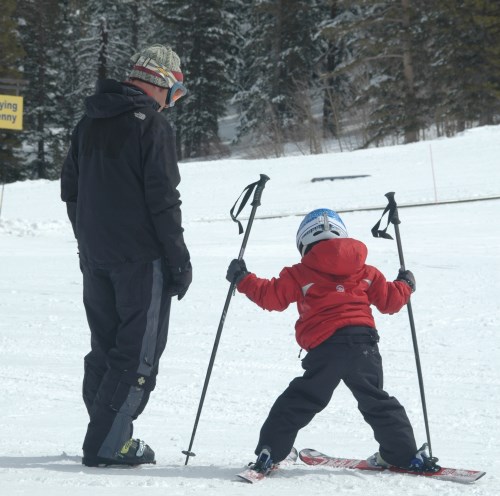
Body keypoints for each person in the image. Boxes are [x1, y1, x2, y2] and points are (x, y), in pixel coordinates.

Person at [226, 208, 440, 474]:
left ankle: (271, 451)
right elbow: (390, 301)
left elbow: (272, 297)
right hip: (364, 345)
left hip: (326, 348)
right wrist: (405, 284)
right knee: (376, 400)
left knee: (300, 399)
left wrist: (242, 279)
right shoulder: (366, 271)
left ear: (304, 242)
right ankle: (403, 454)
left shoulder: (300, 272)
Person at [61, 44, 192, 467]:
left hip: (97, 255)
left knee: (106, 347)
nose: (173, 101)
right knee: (137, 354)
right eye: (175, 90)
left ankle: (109, 430)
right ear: (162, 82)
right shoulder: (150, 126)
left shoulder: (88, 123)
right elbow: (163, 201)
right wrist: (178, 261)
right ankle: (107, 442)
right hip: (140, 259)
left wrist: (89, 241)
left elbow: (71, 193)